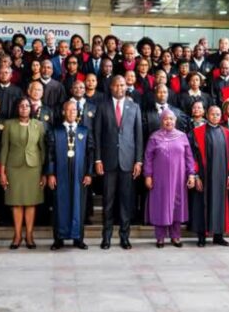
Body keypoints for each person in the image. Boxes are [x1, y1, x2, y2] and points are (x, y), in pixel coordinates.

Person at [94, 75, 143, 250]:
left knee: (125, 202)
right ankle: (106, 237)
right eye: (116, 85)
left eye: (122, 85)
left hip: (128, 162)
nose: (120, 88)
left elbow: (138, 135)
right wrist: (98, 159)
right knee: (108, 202)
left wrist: (138, 161)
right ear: (111, 87)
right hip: (108, 161)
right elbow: (97, 135)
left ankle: (124, 237)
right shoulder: (102, 106)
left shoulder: (134, 107)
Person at [143, 109, 196, 248]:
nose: (169, 121)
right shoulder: (154, 137)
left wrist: (191, 174)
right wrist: (148, 175)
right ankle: (160, 238)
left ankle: (175, 237)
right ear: (161, 120)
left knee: (177, 206)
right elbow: (148, 158)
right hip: (160, 179)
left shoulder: (182, 136)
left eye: (171, 119)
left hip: (179, 178)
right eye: (166, 119)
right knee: (161, 205)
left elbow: (189, 157)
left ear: (175, 121)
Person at [0, 97, 46, 249]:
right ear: (17, 108)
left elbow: (43, 150)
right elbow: (4, 148)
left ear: (31, 109)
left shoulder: (38, 125)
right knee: (16, 202)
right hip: (14, 168)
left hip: (34, 168)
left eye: (27, 106)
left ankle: (30, 236)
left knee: (31, 203)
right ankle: (17, 236)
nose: (24, 108)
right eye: (21, 106)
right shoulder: (8, 124)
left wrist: (44, 172)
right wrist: (2, 172)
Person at [46, 101, 94, 250]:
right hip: (60, 174)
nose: (72, 112)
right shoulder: (55, 131)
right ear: (63, 112)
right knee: (59, 205)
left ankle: (78, 239)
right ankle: (58, 239)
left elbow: (90, 153)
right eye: (69, 110)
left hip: (80, 174)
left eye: (74, 110)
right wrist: (51, 173)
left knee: (79, 206)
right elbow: (50, 155)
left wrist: (89, 173)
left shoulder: (84, 130)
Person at [190, 106, 229, 247]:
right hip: (204, 176)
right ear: (207, 115)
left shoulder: (226, 133)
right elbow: (192, 155)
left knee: (220, 205)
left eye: (218, 114)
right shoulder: (197, 132)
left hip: (221, 176)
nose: (215, 116)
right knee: (202, 205)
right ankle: (201, 237)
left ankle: (218, 236)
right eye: (212, 114)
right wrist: (196, 175)